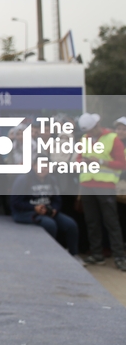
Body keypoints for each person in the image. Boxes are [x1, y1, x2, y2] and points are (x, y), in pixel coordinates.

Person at [76, 113, 126, 271]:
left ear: (97, 125)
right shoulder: (84, 139)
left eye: (91, 130)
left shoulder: (112, 138)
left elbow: (122, 164)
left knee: (111, 222)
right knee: (92, 221)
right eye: (87, 131)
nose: (89, 133)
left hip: (105, 186)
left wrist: (101, 161)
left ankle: (119, 257)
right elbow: (78, 159)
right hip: (87, 185)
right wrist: (83, 162)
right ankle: (97, 254)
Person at [10, 161, 80, 262]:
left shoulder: (52, 179)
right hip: (24, 212)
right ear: (34, 166)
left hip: (46, 211)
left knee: (71, 225)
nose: (43, 169)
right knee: (50, 224)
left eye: (46, 166)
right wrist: (34, 208)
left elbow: (57, 200)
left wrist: (54, 209)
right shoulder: (23, 179)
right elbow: (15, 202)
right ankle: (49, 256)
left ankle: (74, 255)